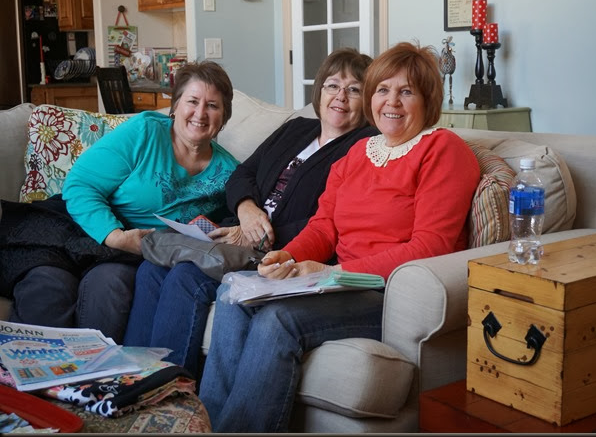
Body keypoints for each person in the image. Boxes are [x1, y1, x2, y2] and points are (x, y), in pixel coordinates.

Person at [197, 41, 481, 432]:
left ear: (428, 100)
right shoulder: (358, 153)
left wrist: (333, 272)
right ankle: (210, 426)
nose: (391, 102)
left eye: (406, 92)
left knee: (278, 320)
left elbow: (431, 246)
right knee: (234, 291)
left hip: (385, 293)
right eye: (383, 90)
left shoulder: (442, 149)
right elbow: (324, 226)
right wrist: (287, 256)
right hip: (335, 282)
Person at [122, 48, 379, 378]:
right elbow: (243, 173)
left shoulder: (365, 146)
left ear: (367, 100)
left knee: (187, 276)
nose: (340, 96)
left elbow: (335, 219)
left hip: (278, 250)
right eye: (332, 85)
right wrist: (246, 209)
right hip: (238, 230)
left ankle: (167, 386)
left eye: (353, 89)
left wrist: (260, 234)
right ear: (320, 90)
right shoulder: (297, 129)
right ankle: (130, 378)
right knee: (152, 268)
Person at [6, 61, 239, 343]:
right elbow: (80, 185)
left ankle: (98, 370)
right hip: (76, 229)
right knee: (49, 287)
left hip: (129, 255)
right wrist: (114, 236)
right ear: (175, 106)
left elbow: (238, 215)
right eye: (192, 101)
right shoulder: (145, 132)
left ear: (224, 117)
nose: (200, 113)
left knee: (110, 284)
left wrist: (242, 217)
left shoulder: (228, 172)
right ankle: (32, 371)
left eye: (212, 106)